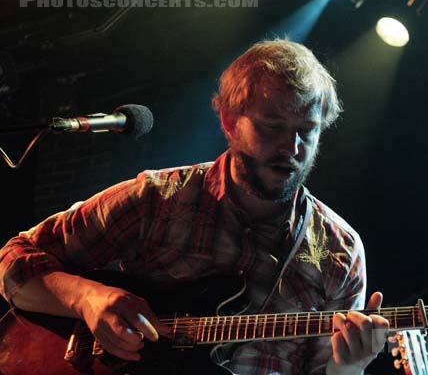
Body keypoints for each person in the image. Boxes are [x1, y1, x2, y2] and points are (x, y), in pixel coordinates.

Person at [0, 39, 389, 374]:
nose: (292, 148)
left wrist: (349, 366)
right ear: (230, 120)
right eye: (272, 126)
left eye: (307, 130)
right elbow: (13, 261)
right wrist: (87, 297)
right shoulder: (159, 198)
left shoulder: (340, 250)